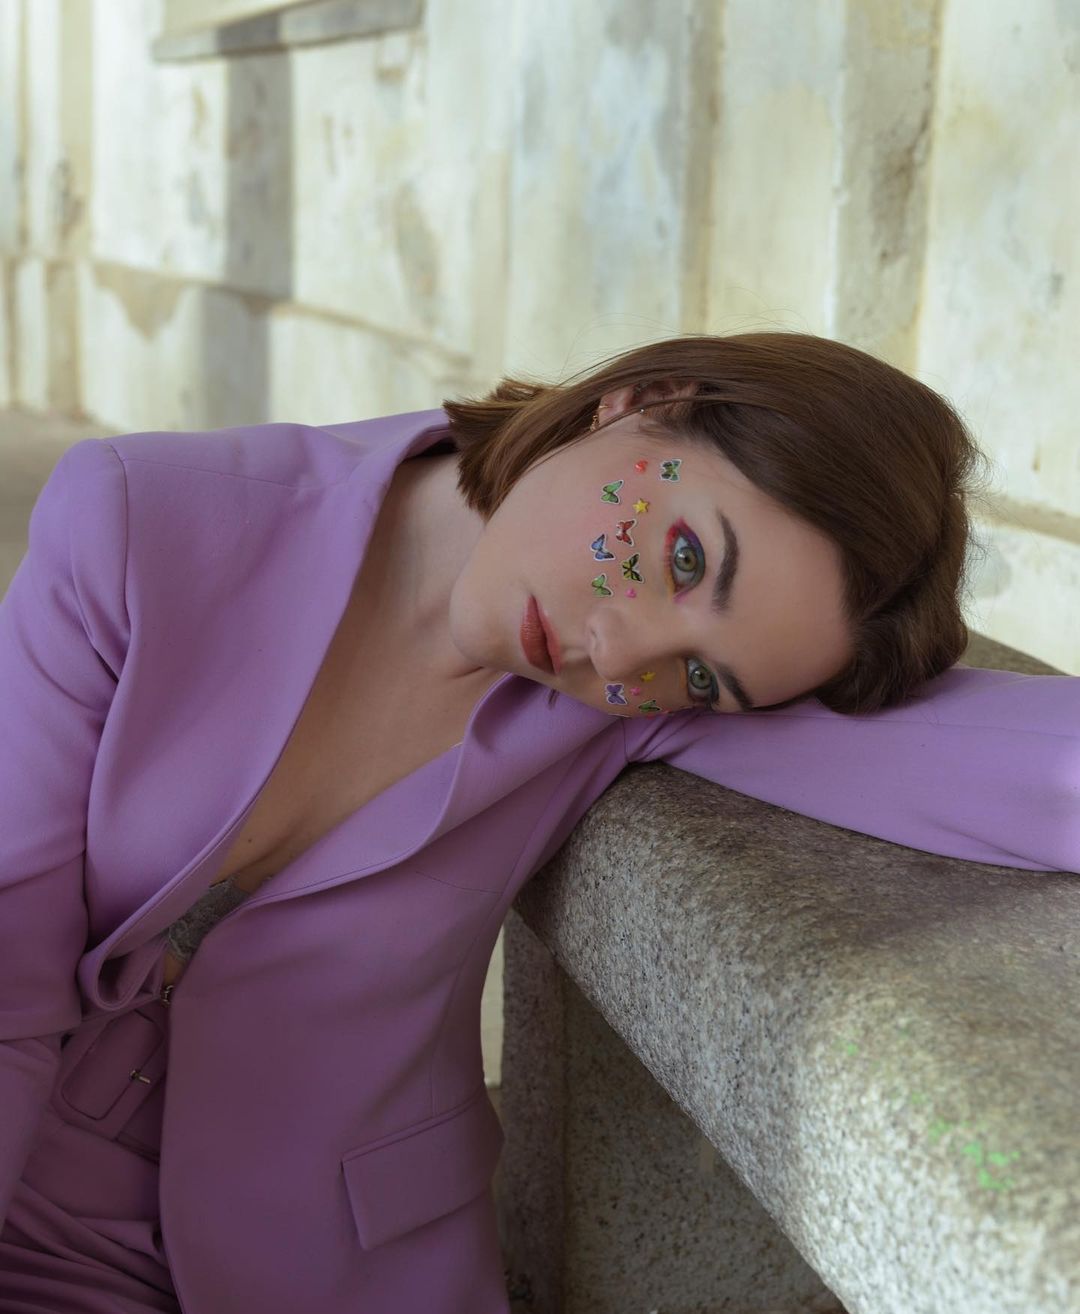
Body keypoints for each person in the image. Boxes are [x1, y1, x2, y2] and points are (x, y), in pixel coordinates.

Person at [0, 332, 1076, 1313]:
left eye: (704, 674)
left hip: (334, 1272)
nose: (620, 655)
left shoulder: (628, 709)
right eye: (685, 558)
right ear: (643, 401)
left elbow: (1020, 761)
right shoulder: (142, 524)